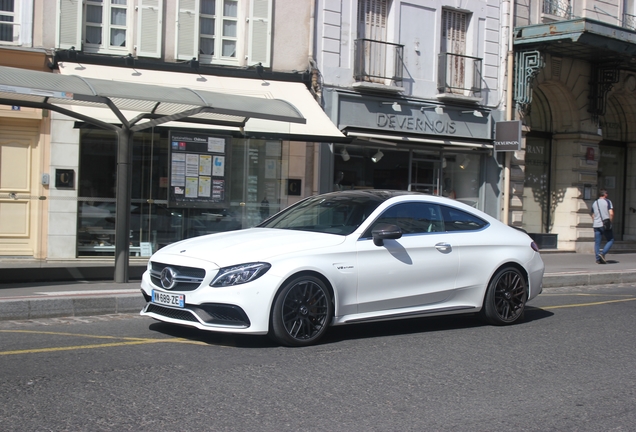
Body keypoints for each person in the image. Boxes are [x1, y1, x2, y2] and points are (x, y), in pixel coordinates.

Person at [590, 189, 614, 264]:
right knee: (611, 239)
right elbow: (611, 213)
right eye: (607, 193)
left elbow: (593, 215)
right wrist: (610, 222)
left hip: (596, 225)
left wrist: (595, 222)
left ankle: (597, 259)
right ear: (605, 194)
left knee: (597, 242)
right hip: (604, 224)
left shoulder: (594, 203)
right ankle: (602, 254)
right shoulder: (608, 201)